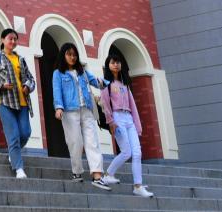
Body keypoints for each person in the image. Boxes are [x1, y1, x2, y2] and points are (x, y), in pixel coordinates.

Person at [52, 42, 111, 190]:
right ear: (63, 55)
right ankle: (77, 171)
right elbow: (57, 91)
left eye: (74, 54)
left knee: (92, 142)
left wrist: (108, 83)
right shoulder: (58, 73)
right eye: (69, 54)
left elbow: (97, 83)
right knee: (75, 143)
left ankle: (97, 175)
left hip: (87, 110)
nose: (72, 57)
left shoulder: (82, 71)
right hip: (69, 111)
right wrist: (58, 107)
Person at [100, 51, 154, 198]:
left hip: (129, 118)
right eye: (112, 62)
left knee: (137, 152)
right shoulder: (106, 84)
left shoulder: (125, 84)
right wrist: (111, 121)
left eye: (117, 62)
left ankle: (138, 186)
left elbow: (133, 106)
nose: (116, 64)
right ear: (108, 65)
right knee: (126, 151)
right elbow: (105, 104)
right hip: (117, 117)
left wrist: (138, 125)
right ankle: (108, 174)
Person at [0, 28, 36, 179]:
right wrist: (0, 86)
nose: (12, 42)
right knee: (13, 136)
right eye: (9, 38)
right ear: (2, 40)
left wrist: (27, 86)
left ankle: (14, 153)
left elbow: (31, 79)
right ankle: (19, 168)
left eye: (15, 39)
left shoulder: (20, 59)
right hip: (5, 102)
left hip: (23, 102)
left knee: (25, 133)